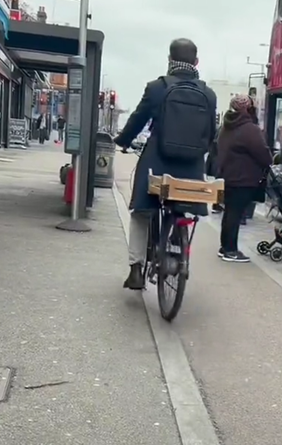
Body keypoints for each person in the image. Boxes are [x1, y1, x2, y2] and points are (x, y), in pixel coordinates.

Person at [114, 38, 217, 289]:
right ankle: (177, 245)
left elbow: (138, 120)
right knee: (183, 207)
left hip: (156, 163)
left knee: (140, 213)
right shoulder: (209, 94)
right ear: (196, 62)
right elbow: (211, 133)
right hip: (191, 169)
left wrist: (123, 141)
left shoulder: (157, 88)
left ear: (170, 61)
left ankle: (136, 268)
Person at [215, 95, 272, 262]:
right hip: (244, 178)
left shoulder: (227, 126)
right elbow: (263, 153)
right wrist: (269, 161)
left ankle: (224, 247)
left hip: (228, 175)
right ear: (248, 109)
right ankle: (230, 250)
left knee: (230, 212)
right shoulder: (250, 129)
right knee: (235, 213)